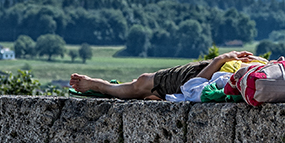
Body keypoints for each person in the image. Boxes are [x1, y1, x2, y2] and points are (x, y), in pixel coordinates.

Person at [69, 50, 261, 100]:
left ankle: (101, 86)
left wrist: (220, 60)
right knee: (143, 85)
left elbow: (194, 86)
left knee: (142, 83)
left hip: (205, 73)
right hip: (219, 69)